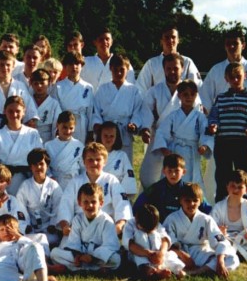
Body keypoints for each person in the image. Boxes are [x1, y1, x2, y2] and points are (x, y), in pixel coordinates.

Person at [200, 28, 247, 205]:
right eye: (228, 43)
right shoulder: (216, 70)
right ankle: (216, 208)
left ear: (243, 45)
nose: (231, 47)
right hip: (222, 137)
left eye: (235, 43)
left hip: (243, 136)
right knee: (218, 173)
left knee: (246, 174)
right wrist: (212, 122)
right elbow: (206, 101)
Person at [207, 62, 247, 203]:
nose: (235, 80)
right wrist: (213, 125)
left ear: (245, 76)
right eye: (232, 77)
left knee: (243, 177)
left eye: (238, 76)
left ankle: (246, 207)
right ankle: (221, 207)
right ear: (226, 78)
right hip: (223, 143)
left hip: (242, 143)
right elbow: (214, 116)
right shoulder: (220, 98)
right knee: (222, 177)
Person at [56, 142, 132, 238]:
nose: (94, 163)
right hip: (79, 228)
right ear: (84, 162)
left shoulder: (111, 180)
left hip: (104, 228)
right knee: (63, 248)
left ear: (104, 162)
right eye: (90, 160)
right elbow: (65, 205)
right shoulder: (75, 182)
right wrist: (65, 225)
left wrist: (119, 224)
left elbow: (122, 204)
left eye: (98, 159)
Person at [164, 182, 239, 279]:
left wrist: (220, 262)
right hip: (180, 253)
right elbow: (166, 243)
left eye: (195, 200)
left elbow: (220, 241)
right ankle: (203, 270)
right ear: (180, 201)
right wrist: (182, 254)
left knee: (232, 258)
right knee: (166, 256)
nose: (191, 204)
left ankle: (193, 272)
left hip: (200, 252)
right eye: (187, 200)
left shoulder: (206, 219)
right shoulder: (172, 219)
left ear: (200, 201)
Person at [50, 183, 121, 275]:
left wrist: (92, 258)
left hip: (97, 257)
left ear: (101, 203)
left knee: (116, 259)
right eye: (86, 202)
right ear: (80, 203)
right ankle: (94, 269)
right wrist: (78, 256)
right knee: (54, 254)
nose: (90, 205)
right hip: (81, 256)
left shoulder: (107, 221)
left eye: (93, 202)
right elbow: (74, 243)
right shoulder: (77, 219)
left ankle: (77, 269)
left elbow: (109, 245)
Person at [153, 79, 213, 187]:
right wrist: (163, 148)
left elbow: (206, 132)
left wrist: (204, 145)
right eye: (185, 94)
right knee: (174, 176)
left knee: (192, 181)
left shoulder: (200, 117)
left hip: (192, 151)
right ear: (179, 96)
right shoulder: (173, 115)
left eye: (192, 94)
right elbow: (161, 132)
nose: (189, 97)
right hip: (175, 151)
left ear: (196, 95)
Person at [138, 53, 184, 190]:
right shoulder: (154, 91)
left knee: (180, 176)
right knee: (148, 177)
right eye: (169, 68)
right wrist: (145, 129)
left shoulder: (189, 91)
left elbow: (196, 114)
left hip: (181, 140)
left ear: (182, 69)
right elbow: (146, 112)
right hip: (158, 138)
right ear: (164, 69)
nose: (172, 71)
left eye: (175, 68)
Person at [91, 54, 144, 162]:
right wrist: (97, 124)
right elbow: (95, 111)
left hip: (124, 131)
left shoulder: (133, 90)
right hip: (106, 133)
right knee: (104, 162)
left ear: (127, 70)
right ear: (110, 68)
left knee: (124, 163)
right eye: (115, 69)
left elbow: (137, 111)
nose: (119, 73)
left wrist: (134, 124)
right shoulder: (103, 89)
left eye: (122, 70)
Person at [0, 95, 44, 194]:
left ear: (24, 112)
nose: (14, 114)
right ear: (4, 111)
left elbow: (40, 158)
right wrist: (0, 176)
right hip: (4, 181)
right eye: (10, 111)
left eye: (18, 111)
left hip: (28, 179)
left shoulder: (33, 133)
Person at [0, 50, 38, 133]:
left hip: (16, 126)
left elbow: (29, 106)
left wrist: (31, 119)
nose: (5, 68)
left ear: (13, 66)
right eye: (1, 65)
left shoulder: (20, 86)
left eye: (8, 65)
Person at [122, 203, 185, 280]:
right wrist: (148, 253)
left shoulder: (157, 224)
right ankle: (152, 271)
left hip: (158, 253)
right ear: (137, 221)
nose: (148, 231)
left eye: (151, 229)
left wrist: (161, 253)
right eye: (145, 229)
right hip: (140, 252)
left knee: (170, 255)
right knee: (140, 238)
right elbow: (130, 244)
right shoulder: (130, 224)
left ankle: (177, 270)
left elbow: (165, 239)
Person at [15, 148, 63, 248]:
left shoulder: (54, 185)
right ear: (30, 167)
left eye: (41, 164)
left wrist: (53, 224)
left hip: (49, 230)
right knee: (29, 241)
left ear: (47, 165)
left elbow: (59, 207)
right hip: (31, 230)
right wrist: (25, 226)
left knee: (47, 240)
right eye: (35, 164)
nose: (38, 167)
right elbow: (20, 208)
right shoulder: (25, 186)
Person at [135, 25, 201, 95]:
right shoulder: (151, 64)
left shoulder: (187, 62)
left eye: (173, 37)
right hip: (158, 101)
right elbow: (141, 90)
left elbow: (197, 88)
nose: (170, 40)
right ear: (161, 41)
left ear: (178, 40)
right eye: (167, 37)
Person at [52, 51, 94, 143]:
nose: (74, 67)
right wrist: (57, 129)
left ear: (82, 66)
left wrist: (90, 132)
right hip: (65, 125)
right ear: (65, 66)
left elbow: (90, 112)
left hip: (82, 125)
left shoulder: (88, 87)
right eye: (70, 64)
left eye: (77, 64)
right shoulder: (58, 86)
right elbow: (55, 110)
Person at [137, 154, 189, 222]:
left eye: (177, 171)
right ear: (164, 171)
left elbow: (203, 211)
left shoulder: (189, 190)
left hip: (182, 226)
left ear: (184, 172)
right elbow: (137, 207)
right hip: (159, 226)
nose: (173, 174)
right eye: (169, 171)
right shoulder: (155, 189)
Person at [80, 27, 134, 92]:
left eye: (107, 39)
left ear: (111, 42)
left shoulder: (123, 63)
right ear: (95, 42)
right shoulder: (85, 62)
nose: (104, 42)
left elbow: (130, 87)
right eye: (101, 39)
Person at [96, 122, 137, 199]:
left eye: (111, 136)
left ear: (116, 137)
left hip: (116, 193)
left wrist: (123, 194)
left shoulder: (122, 155)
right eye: (105, 136)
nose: (108, 139)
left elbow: (128, 175)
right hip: (96, 193)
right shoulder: (93, 154)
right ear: (100, 136)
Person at [44, 111, 84, 189]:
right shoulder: (48, 145)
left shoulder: (79, 145)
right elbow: (45, 166)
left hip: (74, 182)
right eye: (64, 127)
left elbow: (83, 168)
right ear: (57, 125)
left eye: (71, 128)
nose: (68, 131)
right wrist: (50, 176)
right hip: (55, 182)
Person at [30, 69, 61, 144]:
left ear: (49, 83)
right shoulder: (27, 101)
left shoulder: (54, 104)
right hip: (29, 137)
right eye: (36, 83)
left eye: (42, 83)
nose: (39, 86)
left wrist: (53, 143)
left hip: (47, 140)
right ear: (31, 84)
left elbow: (56, 127)